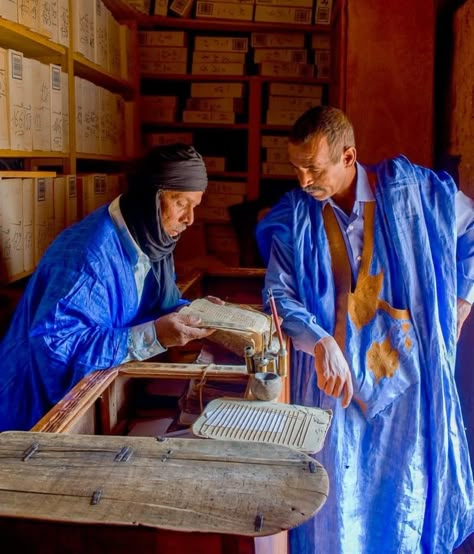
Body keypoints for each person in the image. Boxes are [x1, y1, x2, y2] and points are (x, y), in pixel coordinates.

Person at [256, 106, 474, 554]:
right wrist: (318, 341)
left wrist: (462, 302)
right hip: (333, 387)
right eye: (296, 169)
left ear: (349, 156)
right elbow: (279, 295)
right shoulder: (295, 216)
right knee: (336, 501)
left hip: (408, 388)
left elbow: (472, 231)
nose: (303, 181)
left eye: (314, 169)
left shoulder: (416, 193)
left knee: (404, 496)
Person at [0, 143, 216, 431]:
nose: (189, 219)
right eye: (180, 203)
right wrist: (154, 335)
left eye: (194, 207)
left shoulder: (148, 238)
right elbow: (55, 347)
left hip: (88, 399)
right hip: (35, 415)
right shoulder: (87, 255)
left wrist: (194, 312)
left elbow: (149, 304)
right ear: (150, 198)